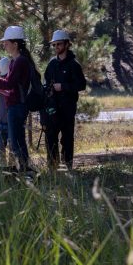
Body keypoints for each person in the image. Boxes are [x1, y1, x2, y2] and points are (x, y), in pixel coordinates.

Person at [0, 26, 36, 172]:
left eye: (6, 42)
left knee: (16, 143)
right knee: (18, 141)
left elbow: (9, 84)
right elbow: (10, 85)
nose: (4, 44)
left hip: (17, 107)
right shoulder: (15, 61)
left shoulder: (20, 62)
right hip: (17, 106)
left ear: (15, 44)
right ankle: (24, 170)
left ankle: (23, 171)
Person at [43, 29, 87, 170]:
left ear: (67, 44)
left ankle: (67, 167)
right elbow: (46, 83)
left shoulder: (74, 65)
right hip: (53, 108)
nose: (56, 47)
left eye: (59, 44)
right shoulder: (52, 64)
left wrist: (63, 87)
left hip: (68, 108)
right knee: (50, 138)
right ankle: (53, 168)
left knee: (67, 139)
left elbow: (81, 85)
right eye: (54, 45)